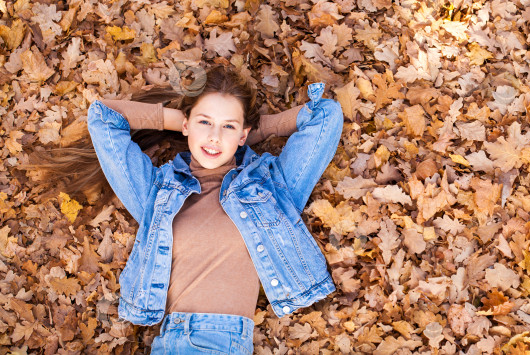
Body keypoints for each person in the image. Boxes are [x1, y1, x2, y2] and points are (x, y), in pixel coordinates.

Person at [37, 65, 343, 353]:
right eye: (204, 122)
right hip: (169, 341)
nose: (214, 136)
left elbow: (326, 115)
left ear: (242, 134)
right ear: (187, 124)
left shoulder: (274, 188)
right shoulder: (157, 194)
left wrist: (254, 131)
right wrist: (181, 122)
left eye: (228, 126)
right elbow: (103, 117)